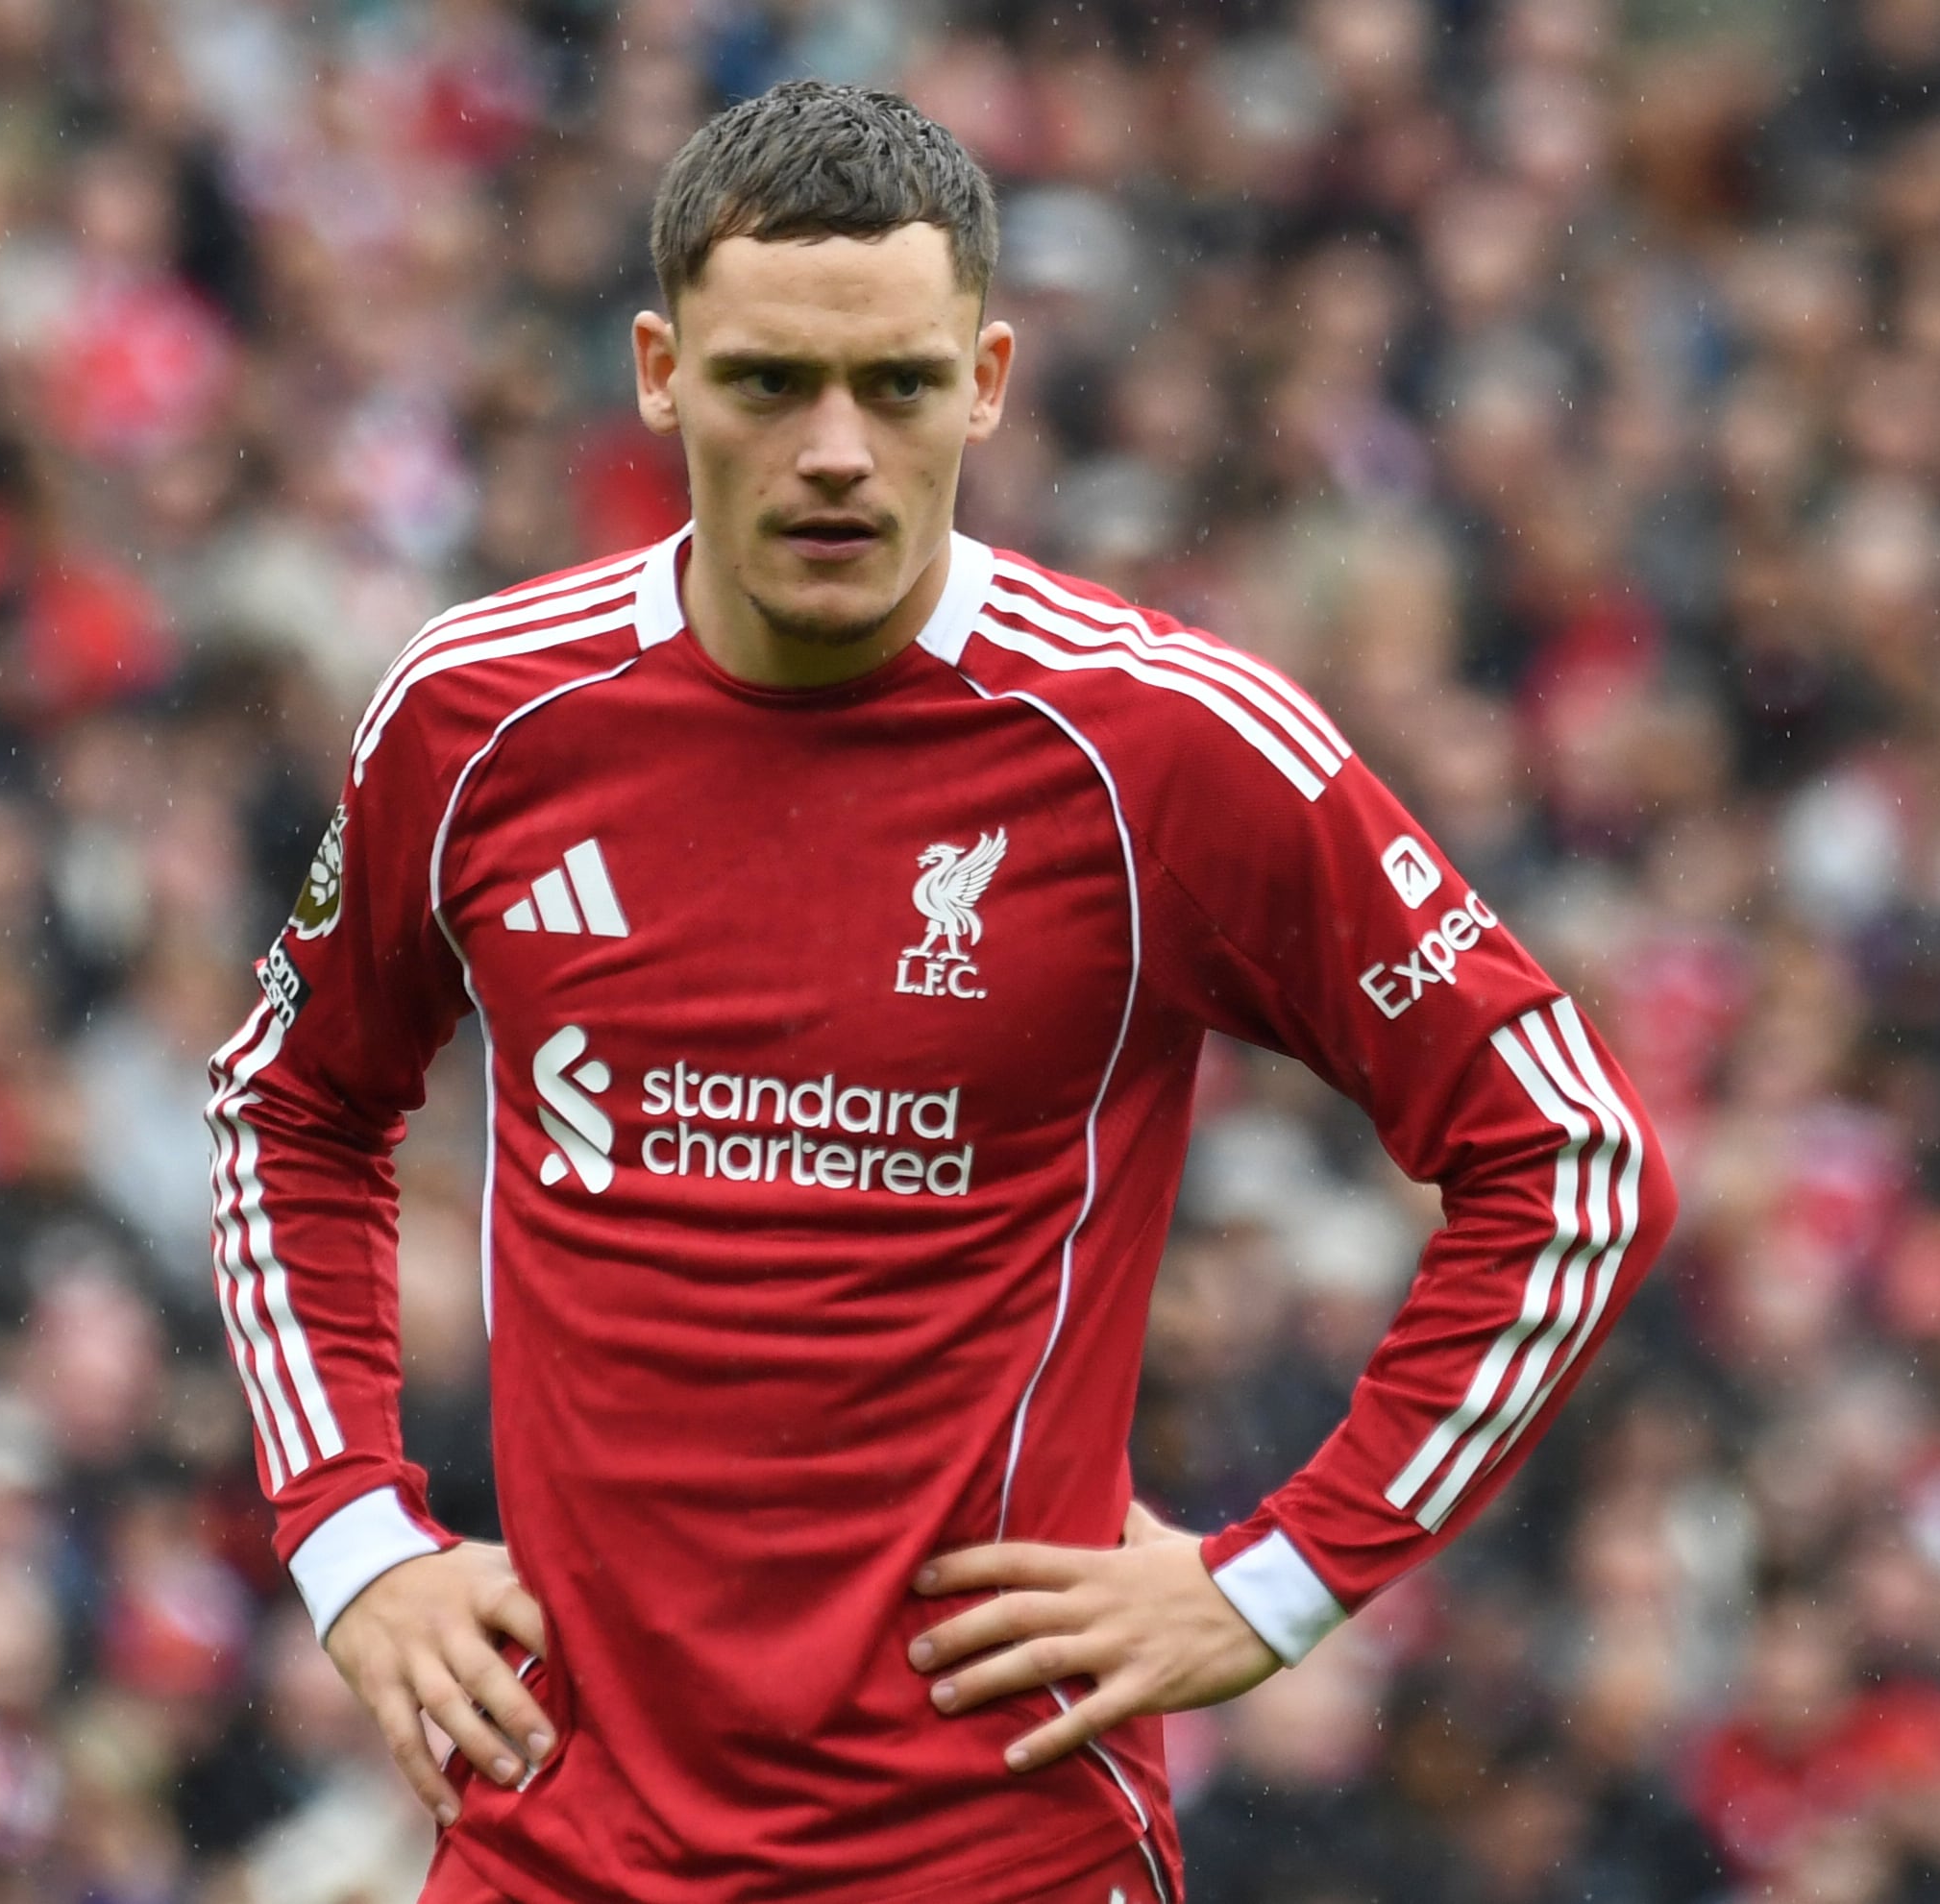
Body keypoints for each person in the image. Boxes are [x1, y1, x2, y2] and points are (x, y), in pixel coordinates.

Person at [206, 80, 1678, 1904]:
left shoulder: (1158, 746)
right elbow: (288, 1103)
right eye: (768, 383)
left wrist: (1278, 1579)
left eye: (896, 386)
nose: (835, 449)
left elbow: (1570, 1157)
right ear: (660, 375)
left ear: (983, 383)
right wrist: (352, 1534)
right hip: (558, 1845)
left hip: (996, 1849)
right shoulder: (481, 715)